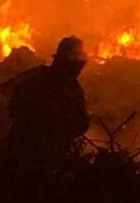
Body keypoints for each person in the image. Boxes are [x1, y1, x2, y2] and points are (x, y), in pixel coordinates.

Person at [7, 36, 90, 172]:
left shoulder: (38, 79)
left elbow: (80, 122)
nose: (80, 64)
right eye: (77, 58)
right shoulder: (66, 88)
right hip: (34, 156)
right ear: (67, 60)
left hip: (40, 155)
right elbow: (15, 108)